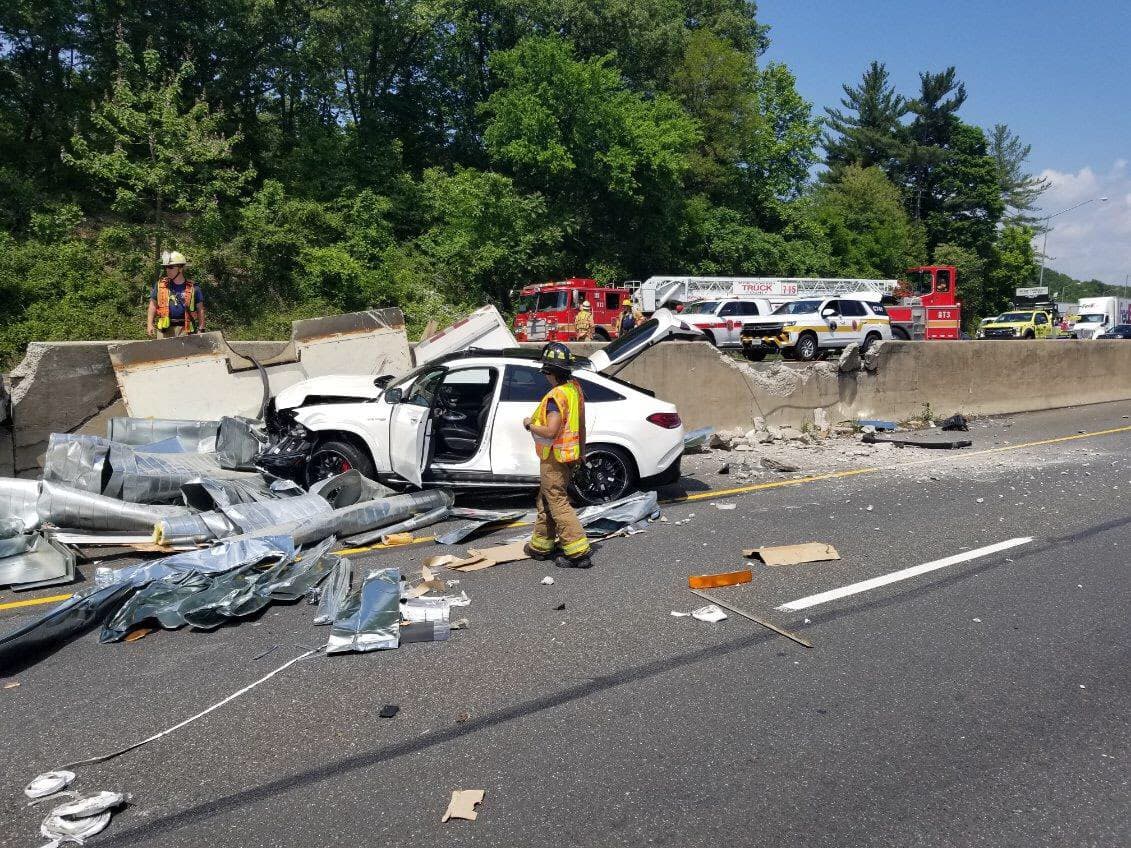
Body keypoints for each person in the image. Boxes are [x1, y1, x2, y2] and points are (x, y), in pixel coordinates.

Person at [522, 342, 593, 568]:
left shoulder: (555, 397)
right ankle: (541, 546)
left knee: (557, 501)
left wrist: (529, 425)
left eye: (546, 371)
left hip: (554, 457)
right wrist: (581, 452)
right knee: (546, 499)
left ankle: (578, 551)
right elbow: (580, 424)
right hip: (569, 455)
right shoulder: (574, 389)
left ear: (550, 372)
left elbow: (551, 431)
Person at [147, 250, 204, 338]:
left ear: (180, 269)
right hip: (164, 330)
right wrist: (149, 324)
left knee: (185, 352)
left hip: (185, 330)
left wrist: (201, 328)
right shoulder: (160, 285)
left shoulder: (194, 288)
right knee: (163, 352)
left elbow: (200, 309)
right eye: (166, 267)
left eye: (171, 267)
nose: (167, 270)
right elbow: (152, 305)